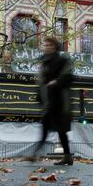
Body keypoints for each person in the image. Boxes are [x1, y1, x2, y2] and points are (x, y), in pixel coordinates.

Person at [31, 37, 74, 165]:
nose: (47, 47)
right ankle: (35, 154)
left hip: (60, 100)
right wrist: (39, 95)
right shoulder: (44, 62)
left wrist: (57, 81)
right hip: (48, 100)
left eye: (50, 45)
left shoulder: (63, 60)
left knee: (61, 130)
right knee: (45, 128)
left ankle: (66, 156)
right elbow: (40, 81)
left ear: (55, 47)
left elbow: (69, 76)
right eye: (45, 44)